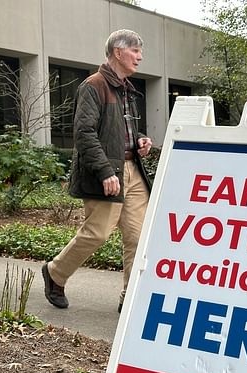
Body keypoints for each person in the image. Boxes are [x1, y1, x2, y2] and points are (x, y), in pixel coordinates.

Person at [42, 29, 153, 312]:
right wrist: (105, 171)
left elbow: (117, 128)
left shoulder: (127, 88)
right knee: (97, 233)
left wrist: (138, 138)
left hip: (133, 170)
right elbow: (84, 133)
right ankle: (55, 273)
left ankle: (130, 297)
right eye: (135, 51)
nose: (140, 57)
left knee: (138, 237)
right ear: (118, 52)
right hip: (106, 171)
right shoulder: (94, 85)